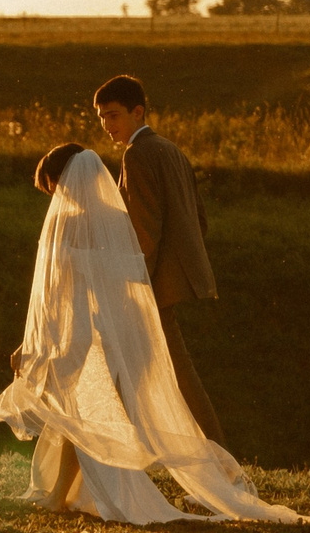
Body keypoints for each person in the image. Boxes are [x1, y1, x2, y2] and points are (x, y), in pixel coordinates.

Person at [0, 143, 298, 525]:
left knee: (76, 415)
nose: (55, 196)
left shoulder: (67, 224)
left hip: (84, 331)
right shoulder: (117, 219)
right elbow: (131, 277)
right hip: (121, 331)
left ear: (63, 180)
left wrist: (32, 345)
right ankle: (57, 494)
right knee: (79, 417)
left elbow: (57, 296)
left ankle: (58, 495)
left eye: (54, 187)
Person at [94, 74, 226, 446]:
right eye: (102, 117)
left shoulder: (137, 154)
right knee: (144, 374)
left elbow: (144, 232)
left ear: (138, 112)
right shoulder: (171, 149)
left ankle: (221, 467)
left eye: (114, 115)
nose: (107, 125)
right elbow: (199, 220)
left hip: (151, 286)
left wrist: (134, 287)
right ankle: (108, 462)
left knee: (177, 379)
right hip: (170, 280)